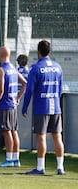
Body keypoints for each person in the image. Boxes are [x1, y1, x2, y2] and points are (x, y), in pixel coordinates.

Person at [22, 40, 65, 175]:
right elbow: (60, 89)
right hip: (55, 107)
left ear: (38, 52)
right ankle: (60, 167)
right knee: (57, 136)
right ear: (49, 51)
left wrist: (24, 107)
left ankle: (40, 167)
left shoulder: (35, 68)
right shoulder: (58, 67)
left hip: (42, 107)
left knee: (41, 137)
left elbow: (29, 90)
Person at [0, 46, 27, 167]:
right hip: (13, 104)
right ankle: (16, 159)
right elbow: (24, 83)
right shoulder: (13, 68)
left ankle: (9, 159)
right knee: (13, 131)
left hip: (5, 104)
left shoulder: (2, 70)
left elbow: (0, 90)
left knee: (7, 132)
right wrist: (18, 97)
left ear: (0, 55)